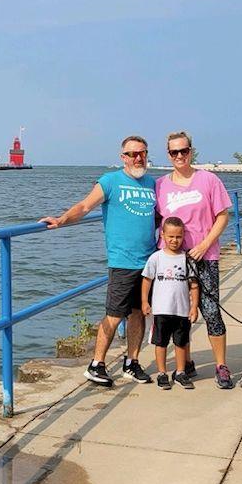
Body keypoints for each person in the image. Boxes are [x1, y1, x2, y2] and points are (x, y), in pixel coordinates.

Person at [40, 135, 156, 387]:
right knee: (114, 315)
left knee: (138, 313)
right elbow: (85, 206)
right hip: (122, 261)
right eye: (132, 154)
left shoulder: (151, 183)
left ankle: (131, 362)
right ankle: (97, 364)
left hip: (148, 261)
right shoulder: (110, 181)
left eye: (142, 153)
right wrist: (61, 220)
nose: (138, 158)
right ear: (123, 157)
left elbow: (158, 218)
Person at [155, 131, 234, 389]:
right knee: (178, 314)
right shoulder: (160, 185)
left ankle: (221, 366)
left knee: (211, 312)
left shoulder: (208, 180)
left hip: (204, 256)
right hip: (172, 261)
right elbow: (153, 220)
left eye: (184, 151)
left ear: (191, 151)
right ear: (168, 155)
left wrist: (204, 244)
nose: (179, 156)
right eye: (174, 152)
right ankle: (185, 363)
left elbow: (222, 216)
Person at [141, 217, 199, 390]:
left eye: (179, 237)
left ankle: (180, 372)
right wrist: (145, 301)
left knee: (181, 343)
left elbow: (194, 285)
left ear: (183, 236)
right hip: (161, 310)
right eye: (171, 236)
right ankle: (162, 372)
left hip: (182, 310)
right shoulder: (156, 258)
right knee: (161, 342)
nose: (174, 240)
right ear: (163, 235)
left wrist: (194, 307)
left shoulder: (187, 259)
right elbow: (147, 280)